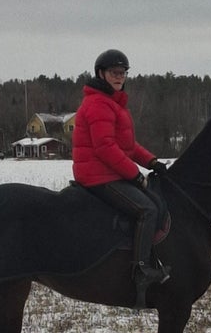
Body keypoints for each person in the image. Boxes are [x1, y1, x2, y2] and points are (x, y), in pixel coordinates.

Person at [72, 49, 170, 308]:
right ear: (101, 74)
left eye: (123, 72)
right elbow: (104, 147)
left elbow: (127, 146)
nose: (119, 76)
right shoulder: (97, 104)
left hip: (109, 172)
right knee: (147, 209)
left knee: (154, 200)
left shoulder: (113, 103)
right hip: (97, 175)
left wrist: (152, 162)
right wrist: (136, 175)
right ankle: (140, 270)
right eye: (114, 72)